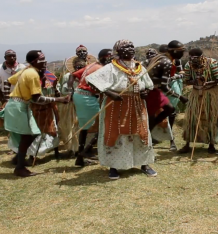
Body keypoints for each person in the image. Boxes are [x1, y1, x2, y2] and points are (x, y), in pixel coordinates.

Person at [85, 40, 156, 179]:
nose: (130, 49)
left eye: (131, 46)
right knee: (116, 134)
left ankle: (144, 164)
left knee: (141, 133)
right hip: (116, 105)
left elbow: (148, 85)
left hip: (137, 104)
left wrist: (145, 92)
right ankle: (114, 166)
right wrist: (109, 93)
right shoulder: (111, 67)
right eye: (125, 47)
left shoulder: (139, 67)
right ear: (118, 51)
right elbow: (92, 80)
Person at [0, 50, 69, 177]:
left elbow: (9, 81)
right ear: (34, 61)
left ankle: (19, 160)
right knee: (29, 135)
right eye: (42, 59)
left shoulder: (27, 70)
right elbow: (38, 99)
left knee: (30, 134)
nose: (45, 62)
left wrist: (7, 97)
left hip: (19, 105)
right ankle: (19, 166)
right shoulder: (32, 74)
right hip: (19, 106)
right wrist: (59, 99)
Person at [69, 49, 113, 166]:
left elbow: (72, 75)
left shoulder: (92, 65)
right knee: (102, 124)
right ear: (105, 57)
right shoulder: (101, 68)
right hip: (87, 97)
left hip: (80, 96)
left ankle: (80, 158)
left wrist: (70, 91)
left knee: (85, 127)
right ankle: (86, 151)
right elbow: (99, 85)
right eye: (111, 56)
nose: (113, 59)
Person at [179, 48, 218, 154]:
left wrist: (208, 83)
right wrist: (194, 81)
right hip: (196, 94)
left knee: (211, 118)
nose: (192, 59)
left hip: (210, 94)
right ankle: (187, 144)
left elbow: (217, 78)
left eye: (195, 57)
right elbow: (186, 80)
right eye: (191, 57)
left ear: (201, 56)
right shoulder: (188, 65)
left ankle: (211, 144)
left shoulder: (212, 63)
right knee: (192, 118)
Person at [145, 40, 188, 135]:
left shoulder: (160, 58)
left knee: (170, 109)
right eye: (181, 51)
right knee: (152, 115)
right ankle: (147, 135)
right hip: (150, 91)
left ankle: (150, 131)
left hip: (153, 89)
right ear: (175, 51)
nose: (183, 53)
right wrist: (180, 97)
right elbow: (164, 86)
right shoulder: (167, 62)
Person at [0, 49, 26, 153]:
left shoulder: (22, 68)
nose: (12, 58)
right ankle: (14, 146)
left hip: (21, 98)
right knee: (10, 123)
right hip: (7, 98)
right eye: (9, 56)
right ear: (5, 58)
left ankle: (21, 145)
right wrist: (2, 99)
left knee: (21, 122)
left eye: (14, 56)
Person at [57, 57, 87, 154]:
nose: (79, 68)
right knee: (71, 126)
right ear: (73, 67)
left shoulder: (87, 76)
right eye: (77, 66)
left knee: (80, 126)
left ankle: (79, 148)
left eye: (82, 67)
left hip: (82, 105)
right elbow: (63, 90)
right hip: (70, 106)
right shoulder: (67, 76)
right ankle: (72, 148)